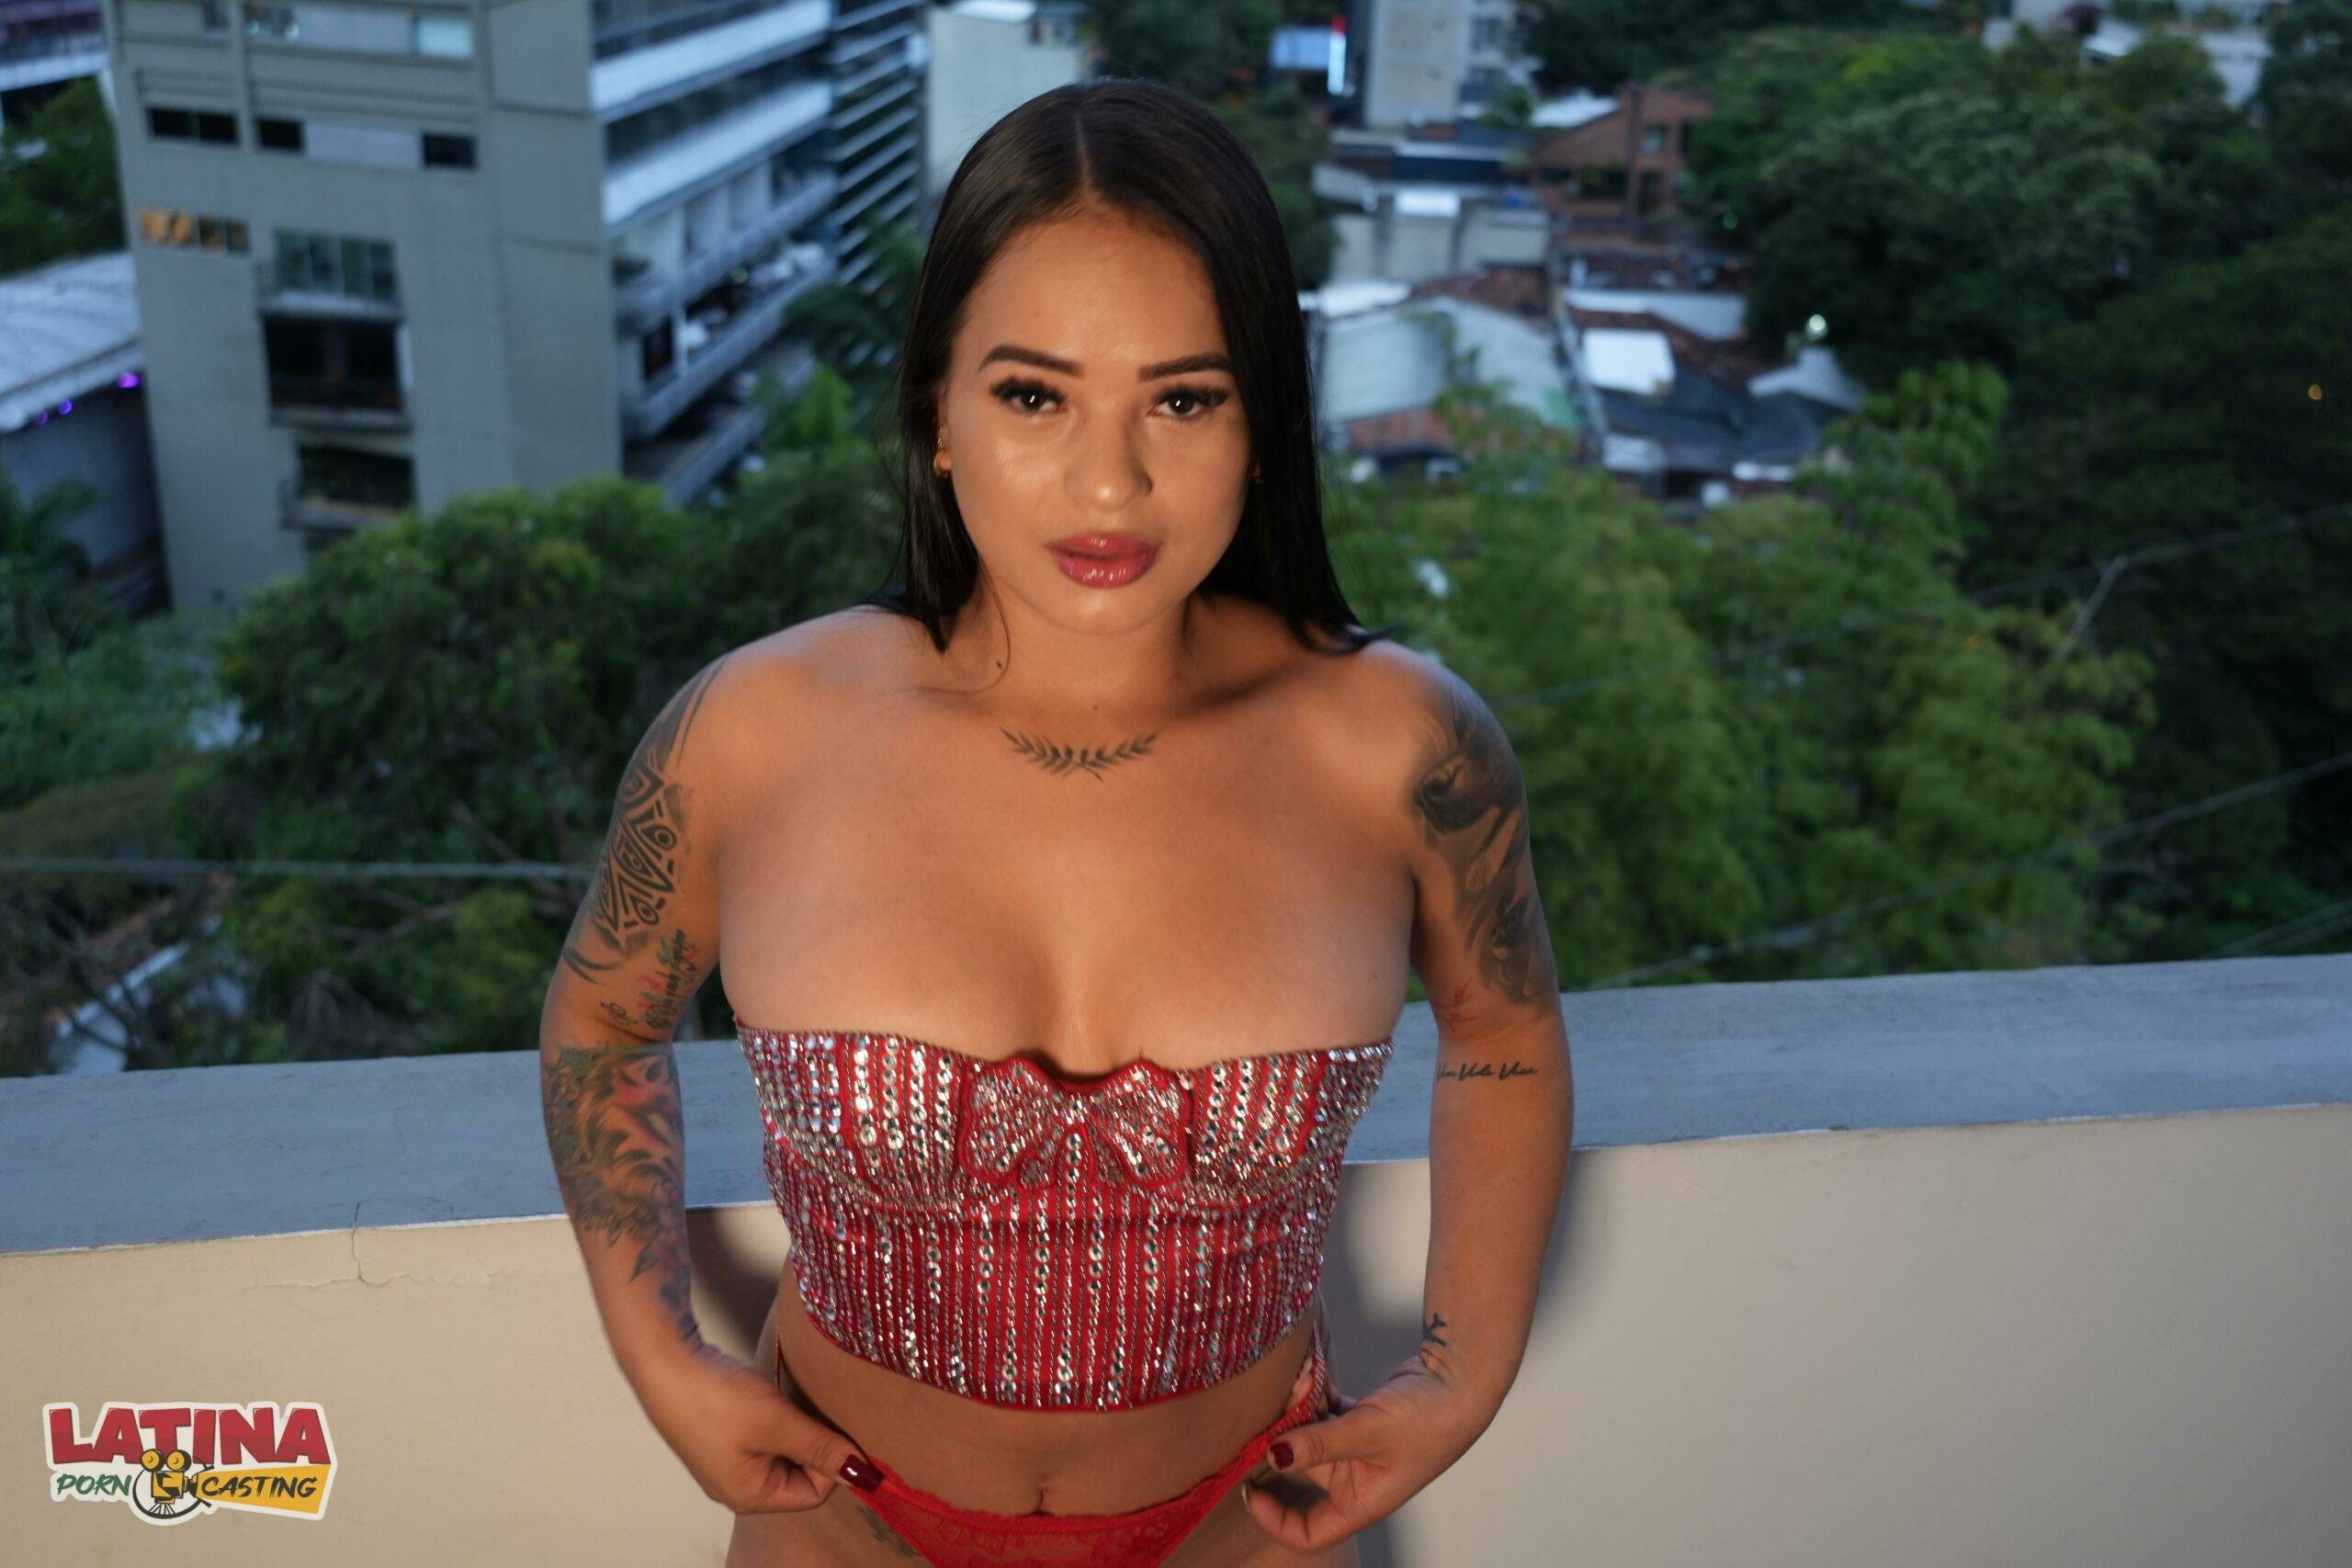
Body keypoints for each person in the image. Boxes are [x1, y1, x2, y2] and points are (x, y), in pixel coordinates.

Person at [537, 77, 1574, 1567]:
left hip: (1248, 1528)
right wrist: (658, 1356)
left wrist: (1463, 1378)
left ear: (1263, 424)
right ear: (937, 416)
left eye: (1184, 399)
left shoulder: (1406, 749)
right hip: (839, 1527)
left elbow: (1504, 1032)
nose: (1110, 481)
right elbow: (604, 1017)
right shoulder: (750, 735)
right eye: (1034, 395)